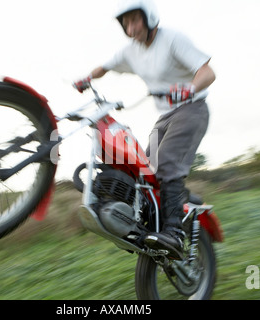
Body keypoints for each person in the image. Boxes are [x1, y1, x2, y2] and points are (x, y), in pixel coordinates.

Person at [74, 0, 216, 259]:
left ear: (149, 18)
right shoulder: (131, 51)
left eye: (135, 20)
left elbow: (207, 72)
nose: (130, 27)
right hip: (165, 116)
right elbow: (105, 67)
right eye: (126, 23)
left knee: (168, 165)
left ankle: (174, 233)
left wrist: (190, 87)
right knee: (145, 173)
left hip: (191, 109)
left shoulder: (172, 39)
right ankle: (173, 209)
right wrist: (87, 78)